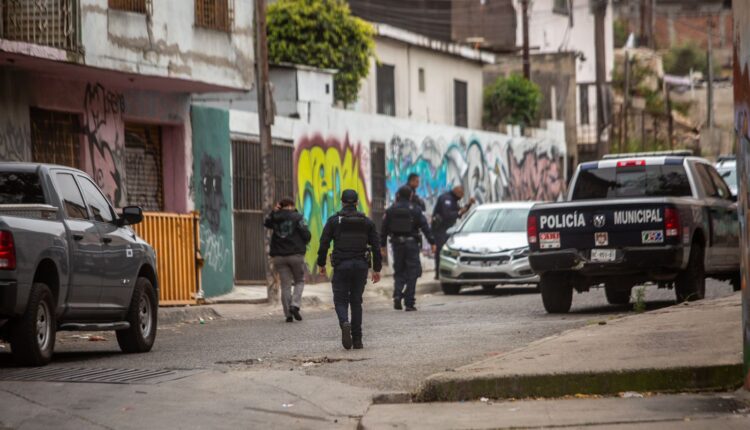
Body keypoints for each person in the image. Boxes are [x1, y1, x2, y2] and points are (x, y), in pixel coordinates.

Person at [317, 189, 382, 350]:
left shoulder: (334, 221)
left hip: (341, 266)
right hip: (360, 266)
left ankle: (344, 322)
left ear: (342, 202)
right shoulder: (367, 222)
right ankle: (358, 340)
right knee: (356, 301)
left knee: (340, 300)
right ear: (357, 202)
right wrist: (377, 269)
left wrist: (321, 264)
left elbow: (324, 242)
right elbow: (376, 246)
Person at [381, 186, 436, 311]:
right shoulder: (415, 209)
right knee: (413, 272)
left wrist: (382, 245)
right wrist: (432, 242)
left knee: (399, 270)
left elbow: (384, 229)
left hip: (396, 244)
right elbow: (425, 227)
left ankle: (397, 294)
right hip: (411, 244)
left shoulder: (391, 210)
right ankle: (409, 302)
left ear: (398, 195)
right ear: (411, 196)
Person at [264, 197, 311, 323]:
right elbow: (306, 234)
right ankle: (295, 305)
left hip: (279, 256)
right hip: (296, 255)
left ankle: (288, 315)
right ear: (291, 205)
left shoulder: (274, 217)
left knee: (285, 285)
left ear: (281, 206)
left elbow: (266, 222)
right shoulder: (297, 217)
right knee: (299, 281)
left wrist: (274, 211)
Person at [432, 185, 476, 279]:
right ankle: (438, 273)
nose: (461, 197)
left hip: (448, 230)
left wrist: (468, 205)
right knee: (441, 251)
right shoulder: (446, 199)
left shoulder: (453, 200)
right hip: (440, 229)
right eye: (461, 194)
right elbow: (448, 214)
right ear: (457, 192)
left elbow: (459, 211)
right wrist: (459, 212)